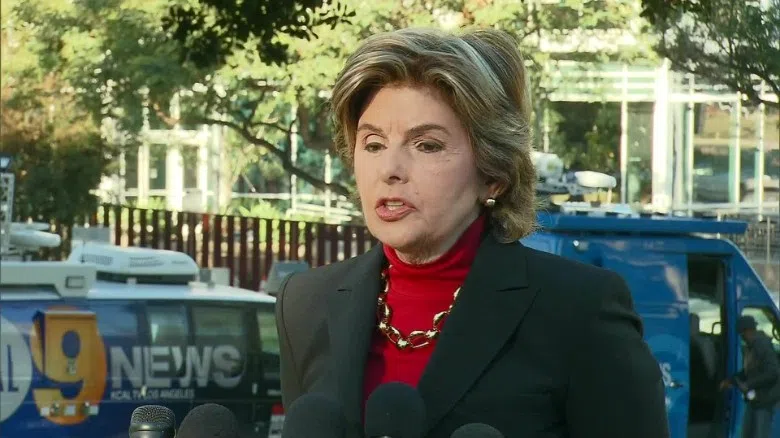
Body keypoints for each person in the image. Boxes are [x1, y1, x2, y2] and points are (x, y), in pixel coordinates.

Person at [275, 27, 669, 438]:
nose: (389, 169)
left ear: (493, 174)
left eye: (426, 145)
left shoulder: (580, 310)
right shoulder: (304, 305)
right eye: (373, 144)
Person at [719, 315, 780, 438]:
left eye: (742, 333)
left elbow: (773, 372)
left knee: (759, 434)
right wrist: (731, 380)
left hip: (765, 400)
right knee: (748, 433)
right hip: (755, 400)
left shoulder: (762, 345)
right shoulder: (751, 346)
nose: (742, 336)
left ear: (749, 330)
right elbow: (747, 371)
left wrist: (748, 384)